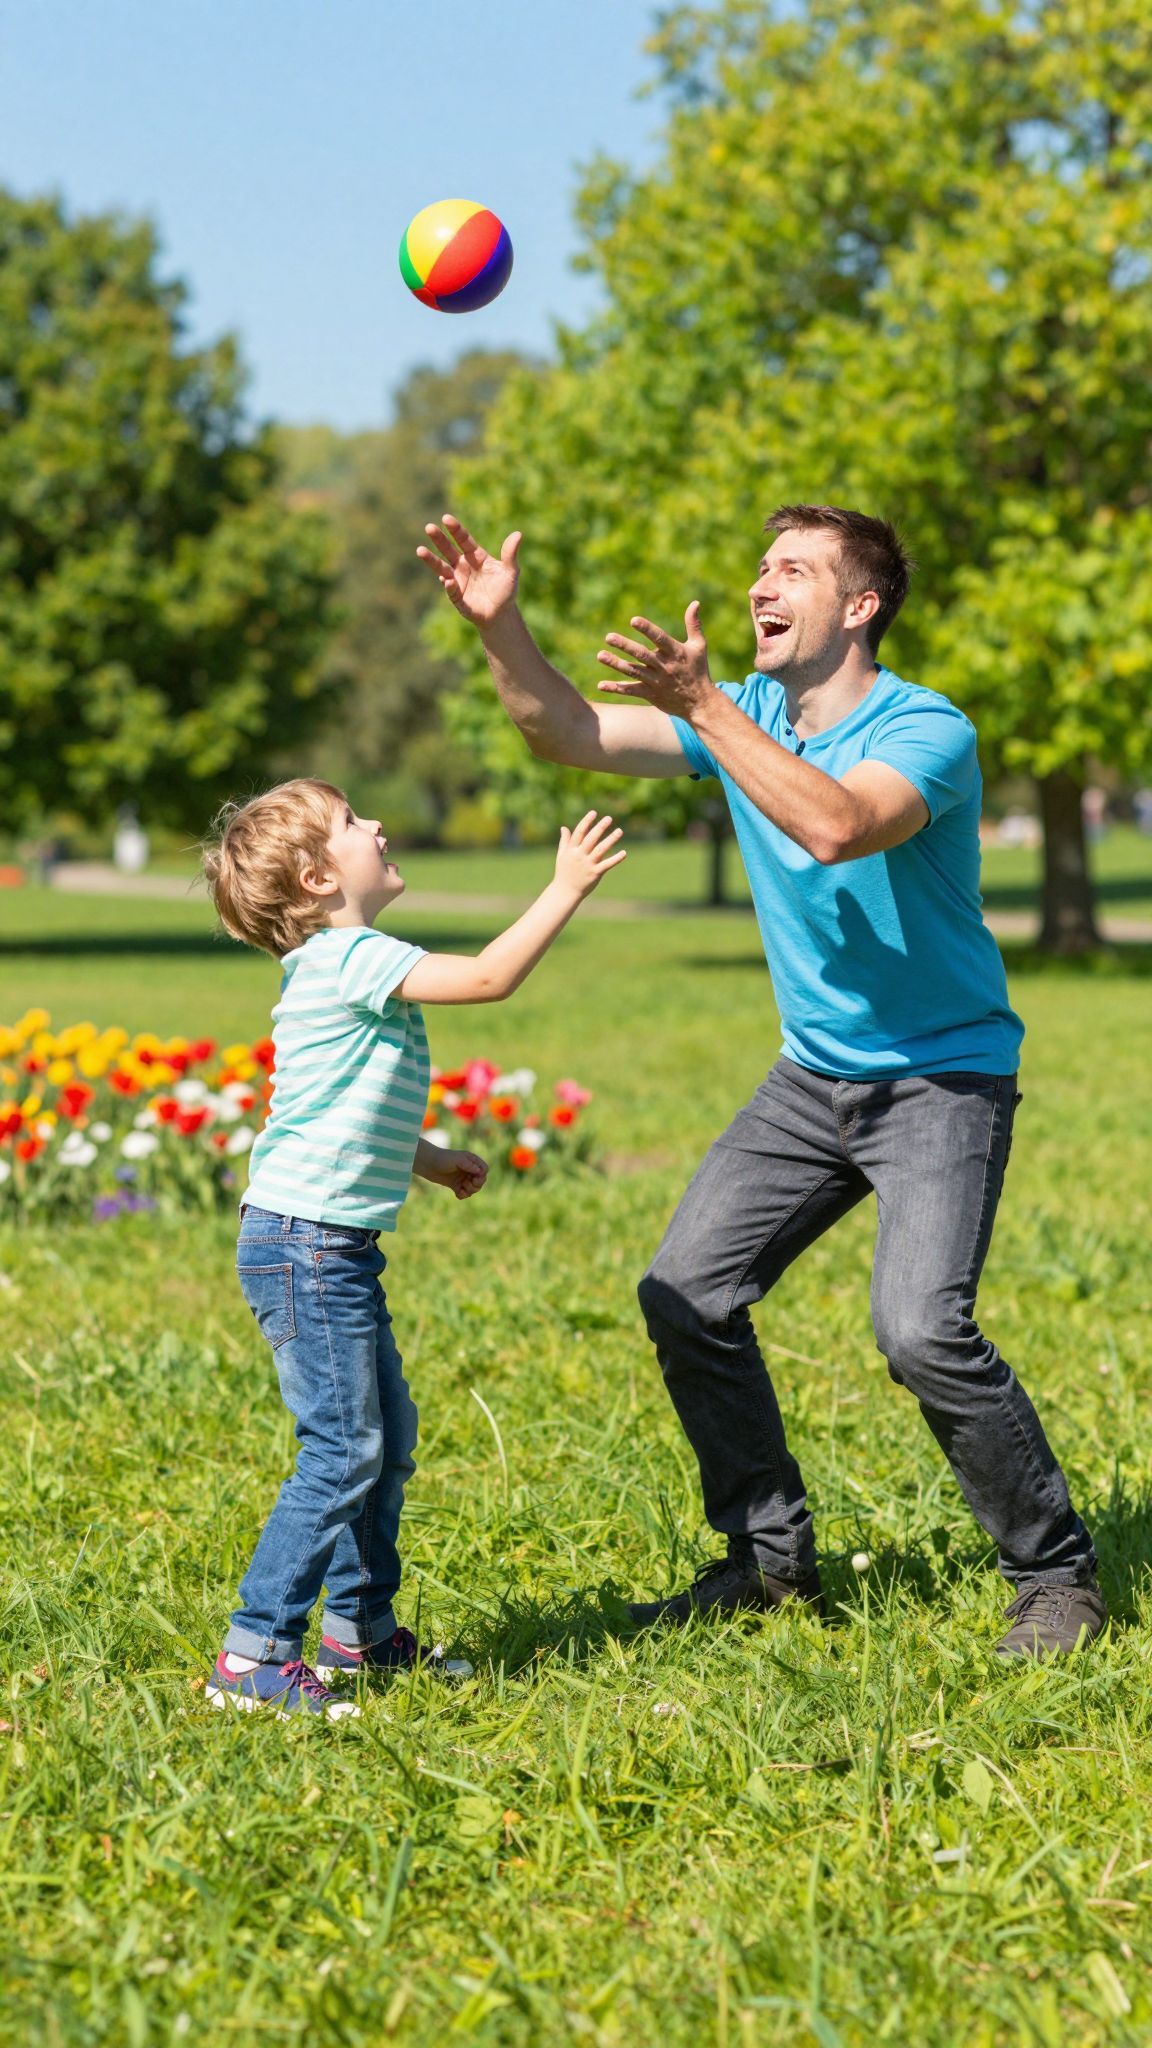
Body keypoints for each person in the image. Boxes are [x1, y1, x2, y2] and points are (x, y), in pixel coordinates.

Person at [416, 505, 1105, 1661]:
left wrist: (707, 708)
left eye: (795, 569)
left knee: (921, 1330)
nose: (761, 585)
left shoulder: (926, 727)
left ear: (862, 604)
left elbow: (838, 824)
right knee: (685, 1290)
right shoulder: (745, 714)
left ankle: (1055, 1575)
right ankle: (767, 1560)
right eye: (760, 566)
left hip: (942, 1078)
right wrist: (501, 629)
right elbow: (568, 731)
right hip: (812, 1077)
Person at [201, 778, 625, 1717]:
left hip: (326, 1244)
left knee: (382, 1446)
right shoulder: (349, 955)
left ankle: (360, 1636)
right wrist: (565, 888)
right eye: (355, 823)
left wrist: (428, 1160)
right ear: (316, 876)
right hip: (307, 1245)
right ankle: (253, 1655)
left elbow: (339, 1105)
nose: (379, 823)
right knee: (343, 1449)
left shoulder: (338, 964)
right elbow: (486, 979)